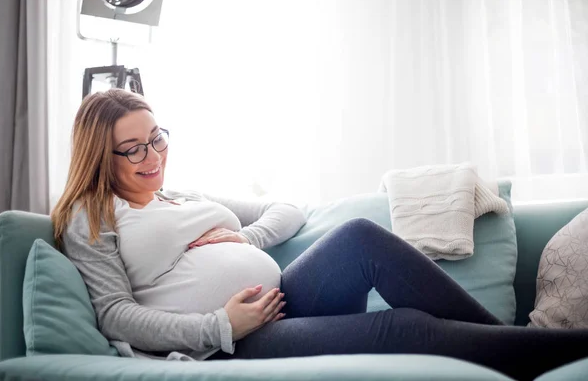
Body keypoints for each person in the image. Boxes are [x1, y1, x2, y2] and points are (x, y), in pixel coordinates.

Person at [51, 89, 588, 381]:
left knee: (358, 236)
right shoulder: (91, 215)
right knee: (401, 329)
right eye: (135, 148)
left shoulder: (183, 195)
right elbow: (114, 314)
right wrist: (218, 325)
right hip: (233, 344)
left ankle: (509, 347)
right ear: (103, 154)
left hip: (284, 296)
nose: (154, 157)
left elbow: (287, 207)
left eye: (158, 138)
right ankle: (558, 353)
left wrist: (250, 240)